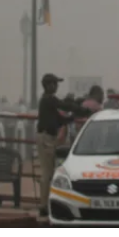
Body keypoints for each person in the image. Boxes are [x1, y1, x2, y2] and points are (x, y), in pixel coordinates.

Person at [35, 73, 84, 217]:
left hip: (48, 137)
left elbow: (60, 119)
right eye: (55, 84)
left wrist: (73, 116)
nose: (56, 86)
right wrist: (79, 109)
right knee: (47, 173)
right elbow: (64, 106)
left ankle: (46, 204)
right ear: (48, 85)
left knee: (49, 172)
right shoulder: (48, 99)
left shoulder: (48, 101)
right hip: (46, 138)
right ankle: (43, 206)